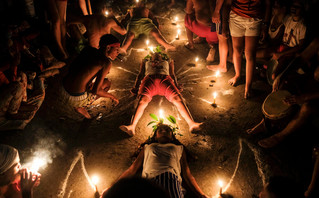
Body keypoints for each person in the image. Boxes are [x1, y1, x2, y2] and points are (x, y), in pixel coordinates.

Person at [247, 37, 319, 148]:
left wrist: (305, 97)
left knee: (307, 107)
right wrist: (282, 75)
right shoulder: (317, 42)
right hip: (312, 82)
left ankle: (281, 135)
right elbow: (301, 59)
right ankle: (264, 123)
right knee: (283, 83)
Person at [111, 124, 208, 198]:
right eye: (160, 130)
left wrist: (202, 195)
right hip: (149, 181)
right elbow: (132, 169)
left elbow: (187, 175)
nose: (164, 132)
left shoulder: (179, 148)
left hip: (171, 179)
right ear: (155, 137)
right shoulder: (147, 147)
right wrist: (112, 188)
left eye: (167, 130)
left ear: (172, 137)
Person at [119, 51, 202, 136]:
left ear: (163, 57)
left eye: (159, 54)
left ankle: (192, 124)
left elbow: (172, 74)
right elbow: (140, 74)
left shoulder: (169, 61)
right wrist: (136, 87)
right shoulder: (145, 61)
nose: (156, 53)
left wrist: (176, 85)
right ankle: (132, 126)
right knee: (142, 101)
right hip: (149, 79)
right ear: (150, 57)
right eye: (154, 54)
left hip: (165, 79)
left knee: (177, 99)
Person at [61, 34, 120, 119]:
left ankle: (80, 101)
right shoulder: (106, 63)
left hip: (63, 87)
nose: (118, 52)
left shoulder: (88, 49)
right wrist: (113, 97)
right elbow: (96, 91)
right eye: (117, 49)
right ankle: (81, 107)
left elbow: (72, 67)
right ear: (108, 47)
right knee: (107, 83)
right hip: (75, 97)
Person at [224, 0, 271, 98]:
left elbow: (268, 3)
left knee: (250, 53)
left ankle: (248, 87)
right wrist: (224, 24)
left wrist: (265, 25)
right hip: (236, 17)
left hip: (255, 18)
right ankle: (237, 75)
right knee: (237, 49)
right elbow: (227, 3)